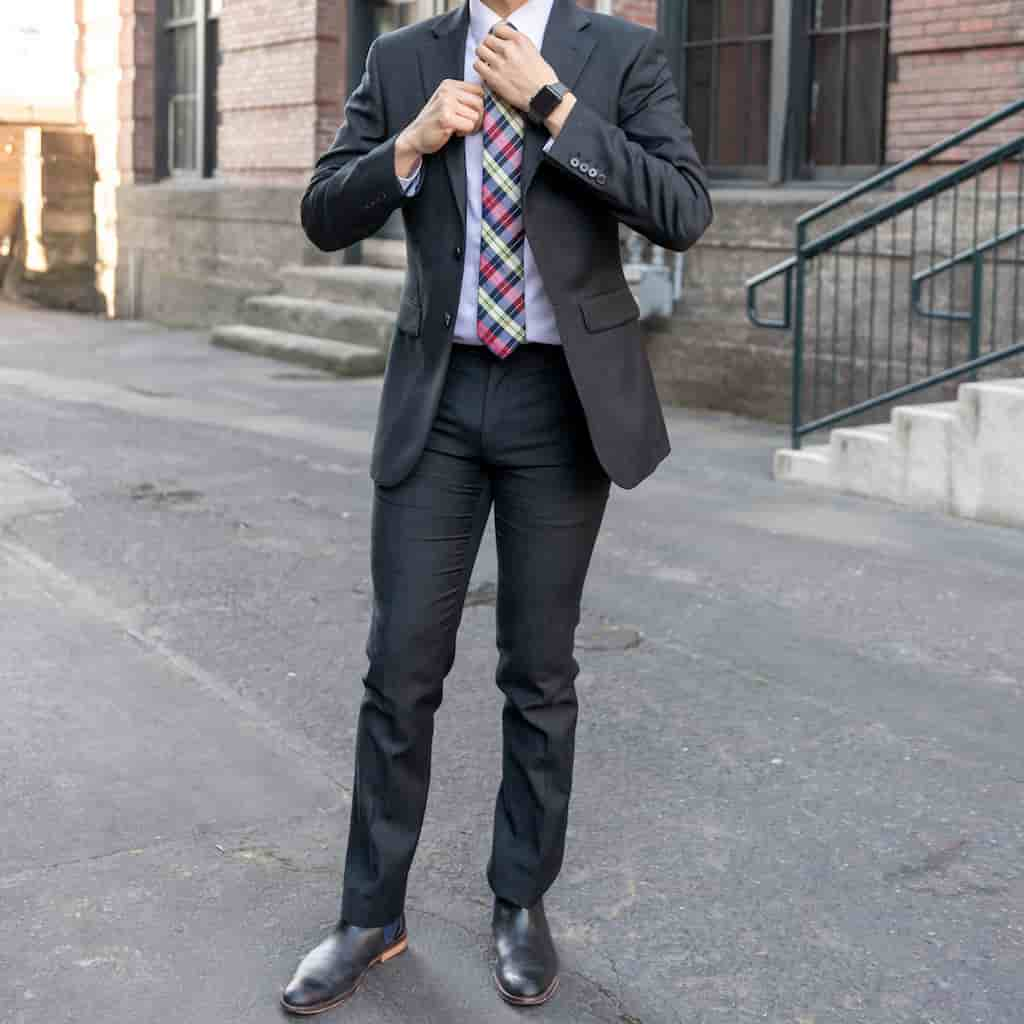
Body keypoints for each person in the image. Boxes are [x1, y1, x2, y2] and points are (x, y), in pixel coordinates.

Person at [282, 0, 711, 1013]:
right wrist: (412, 141)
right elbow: (322, 211)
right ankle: (369, 913)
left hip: (559, 402)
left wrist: (554, 106)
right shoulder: (403, 56)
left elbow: (682, 209)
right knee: (400, 666)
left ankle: (520, 900)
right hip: (439, 396)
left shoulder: (621, 54)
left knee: (539, 669)